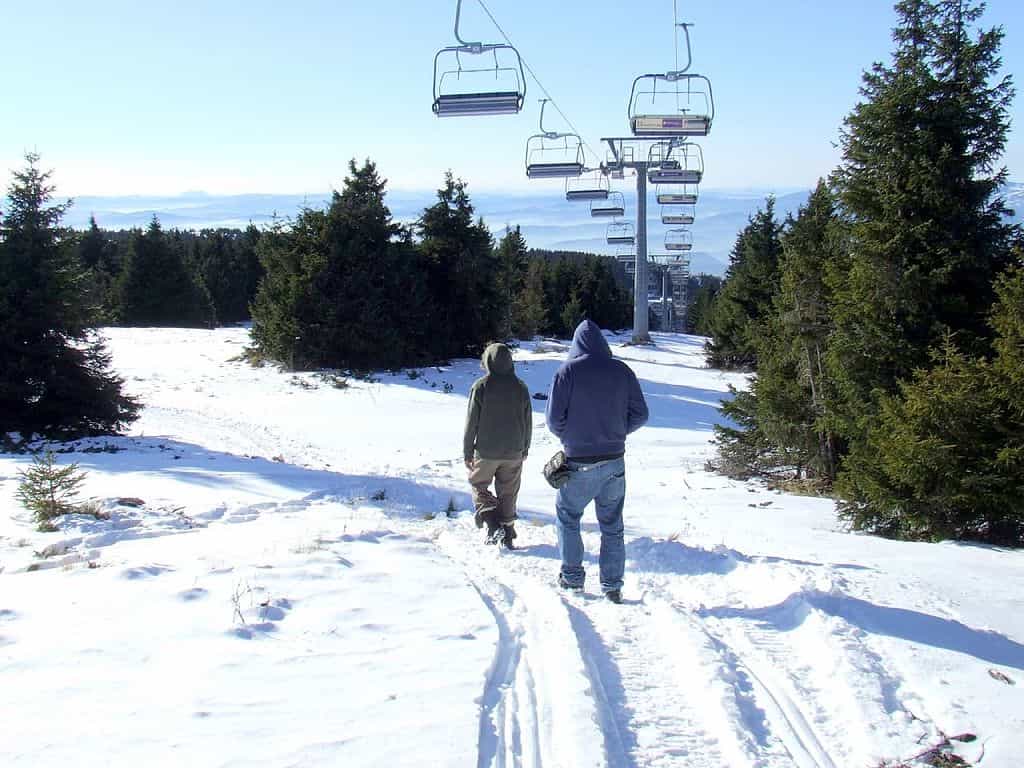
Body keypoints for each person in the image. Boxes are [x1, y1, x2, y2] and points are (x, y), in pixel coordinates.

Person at [545, 319, 649, 603]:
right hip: (614, 463)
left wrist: (575, 437)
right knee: (612, 525)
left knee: (568, 517)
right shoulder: (622, 371)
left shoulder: (567, 372)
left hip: (578, 462)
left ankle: (572, 579)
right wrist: (614, 432)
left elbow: (554, 421)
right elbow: (641, 414)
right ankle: (612, 586)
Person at [463, 342, 533, 548]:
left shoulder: (481, 386)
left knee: (478, 485)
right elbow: (528, 421)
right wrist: (525, 448)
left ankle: (492, 523)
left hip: (486, 451)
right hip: (514, 451)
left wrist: (468, 451)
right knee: (509, 492)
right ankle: (508, 532)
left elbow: (471, 422)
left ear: (487, 361)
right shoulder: (521, 387)